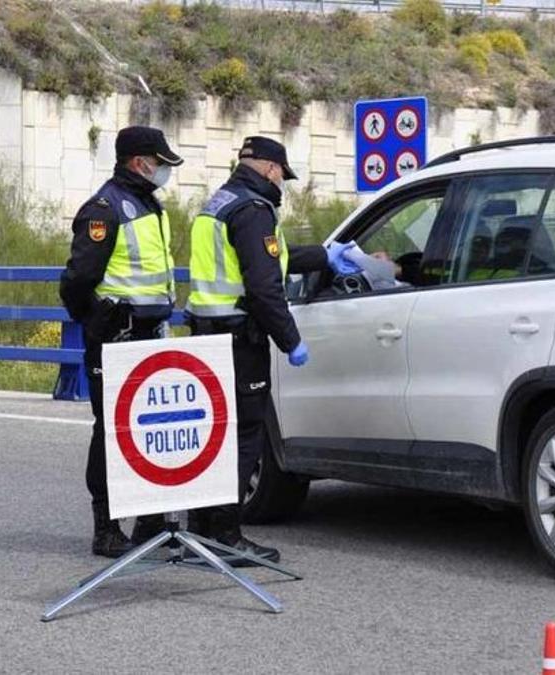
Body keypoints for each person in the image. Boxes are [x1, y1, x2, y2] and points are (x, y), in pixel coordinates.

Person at [186, 136, 359, 563]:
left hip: (207, 334)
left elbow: (270, 259)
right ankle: (227, 534)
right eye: (282, 174)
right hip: (240, 339)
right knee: (245, 435)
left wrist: (323, 256)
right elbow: (264, 287)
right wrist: (292, 340)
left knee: (215, 434)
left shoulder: (219, 203)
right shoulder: (253, 210)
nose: (283, 182)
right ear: (269, 169)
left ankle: (200, 532)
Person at [59, 126, 184, 558]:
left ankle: (150, 522)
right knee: (112, 433)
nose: (165, 170)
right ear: (139, 162)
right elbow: (77, 281)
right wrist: (98, 323)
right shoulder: (104, 209)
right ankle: (107, 527)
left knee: (150, 430)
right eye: (161, 162)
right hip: (116, 338)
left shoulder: (149, 204)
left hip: (151, 335)